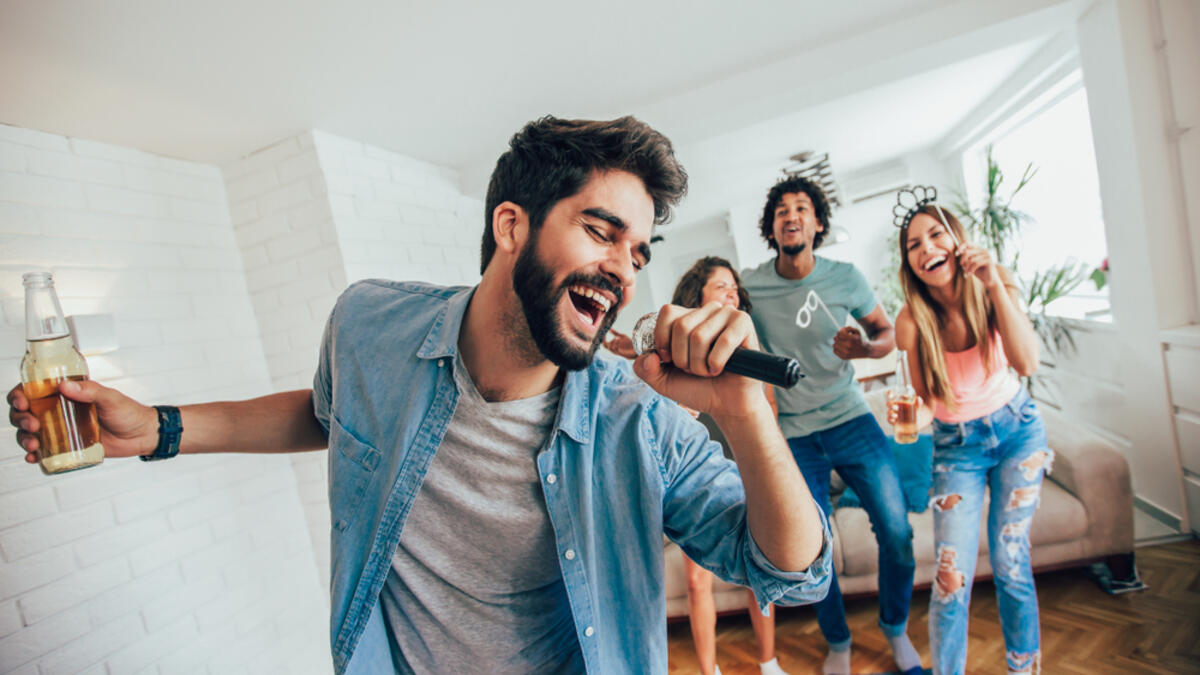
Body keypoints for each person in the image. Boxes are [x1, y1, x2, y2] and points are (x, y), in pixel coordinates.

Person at [8, 116, 831, 675]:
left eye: (640, 251)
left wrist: (746, 413)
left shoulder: (638, 415)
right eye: (600, 230)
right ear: (512, 225)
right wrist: (157, 426)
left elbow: (795, 576)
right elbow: (332, 415)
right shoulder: (369, 324)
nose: (623, 268)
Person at [740, 176, 921, 675]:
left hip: (850, 418)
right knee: (809, 551)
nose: (791, 215)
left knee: (898, 532)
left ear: (817, 223)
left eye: (801, 208)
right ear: (771, 228)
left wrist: (863, 349)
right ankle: (837, 640)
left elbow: (885, 334)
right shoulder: (749, 285)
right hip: (794, 435)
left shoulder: (845, 277)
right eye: (781, 210)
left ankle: (895, 629)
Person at [887, 196, 1047, 675]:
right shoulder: (911, 321)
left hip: (1019, 432)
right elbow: (922, 403)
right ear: (909, 263)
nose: (926, 248)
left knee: (1011, 563)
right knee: (949, 579)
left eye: (936, 235)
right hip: (958, 448)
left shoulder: (995, 286)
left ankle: (1024, 668)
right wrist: (907, 418)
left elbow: (1027, 364)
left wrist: (994, 283)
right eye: (914, 244)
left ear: (956, 240)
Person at [607, 256, 788, 675]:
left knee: (762, 576)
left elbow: (768, 413)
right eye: (721, 286)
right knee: (696, 581)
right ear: (697, 296)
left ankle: (769, 662)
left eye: (735, 288)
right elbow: (658, 398)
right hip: (697, 472)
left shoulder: (747, 350)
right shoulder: (676, 349)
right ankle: (709, 671)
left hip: (744, 467)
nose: (732, 293)